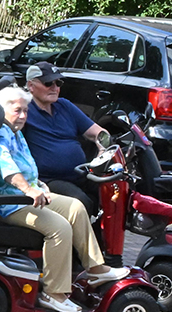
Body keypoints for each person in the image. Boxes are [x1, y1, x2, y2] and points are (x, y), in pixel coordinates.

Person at [0, 84, 127, 312]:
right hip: (9, 203)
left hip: (27, 196)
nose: (23, 116)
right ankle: (53, 293)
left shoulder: (15, 132)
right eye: (17, 110)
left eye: (25, 111)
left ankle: (95, 269)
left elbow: (28, 168)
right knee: (59, 227)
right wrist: (29, 190)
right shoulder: (0, 134)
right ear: (2, 111)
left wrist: (39, 186)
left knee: (75, 207)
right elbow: (8, 170)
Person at [20, 60, 111, 212]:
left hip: (82, 173)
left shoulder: (64, 105)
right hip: (49, 179)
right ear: (31, 86)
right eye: (48, 83)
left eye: (58, 83)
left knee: (114, 193)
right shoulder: (24, 111)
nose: (55, 88)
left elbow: (100, 133)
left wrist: (101, 154)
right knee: (81, 202)